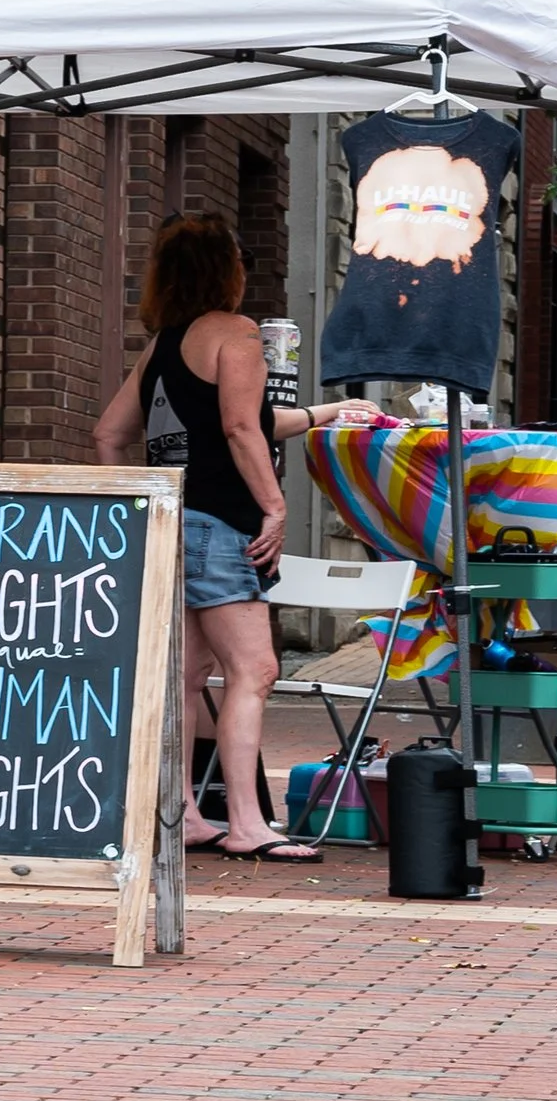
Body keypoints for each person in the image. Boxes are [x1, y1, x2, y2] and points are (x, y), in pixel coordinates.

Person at [92, 215, 376, 864]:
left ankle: (186, 813)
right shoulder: (239, 334)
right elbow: (241, 428)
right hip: (222, 524)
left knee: (190, 673)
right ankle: (248, 822)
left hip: (172, 521)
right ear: (229, 269)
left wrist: (139, 503)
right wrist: (274, 508)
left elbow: (109, 432)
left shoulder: (163, 345)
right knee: (256, 667)